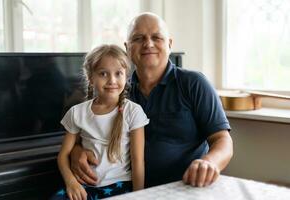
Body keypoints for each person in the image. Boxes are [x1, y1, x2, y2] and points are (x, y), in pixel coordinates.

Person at [70, 12, 233, 189]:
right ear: (127, 47)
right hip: (127, 188)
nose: (148, 44)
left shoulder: (194, 83)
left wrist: (209, 162)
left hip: (186, 188)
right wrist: (76, 152)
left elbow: (222, 140)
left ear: (169, 44)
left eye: (156, 37)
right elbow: (83, 134)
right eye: (138, 38)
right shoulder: (114, 91)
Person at [51, 44, 149, 200]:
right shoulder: (77, 112)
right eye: (103, 74)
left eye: (119, 73)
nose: (112, 80)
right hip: (85, 187)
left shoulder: (134, 112)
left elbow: (138, 162)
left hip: (120, 185)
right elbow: (63, 156)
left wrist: (139, 196)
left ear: (126, 76)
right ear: (91, 78)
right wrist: (71, 182)